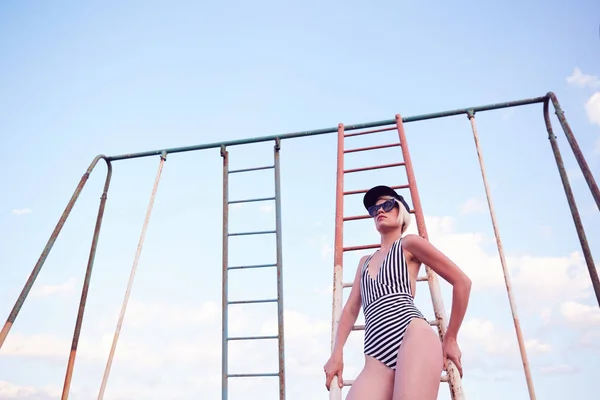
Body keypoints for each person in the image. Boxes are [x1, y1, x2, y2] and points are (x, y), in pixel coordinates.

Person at [323, 185, 472, 400]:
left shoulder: (409, 244)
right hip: (375, 354)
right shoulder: (364, 262)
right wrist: (337, 353)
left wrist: (451, 338)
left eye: (387, 205)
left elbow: (462, 282)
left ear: (401, 212)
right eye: (374, 209)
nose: (380, 210)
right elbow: (350, 310)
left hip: (412, 336)